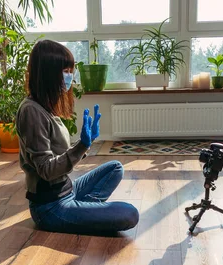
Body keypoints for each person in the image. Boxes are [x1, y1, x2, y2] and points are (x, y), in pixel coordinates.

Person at [16, 40, 139, 235]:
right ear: (48, 73)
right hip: (50, 207)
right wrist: (81, 146)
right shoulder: (31, 111)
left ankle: (81, 211)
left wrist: (85, 145)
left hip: (68, 189)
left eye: (70, 70)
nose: (70, 76)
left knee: (115, 167)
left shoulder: (45, 106)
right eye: (65, 70)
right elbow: (46, 170)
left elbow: (59, 156)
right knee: (130, 214)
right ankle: (79, 212)